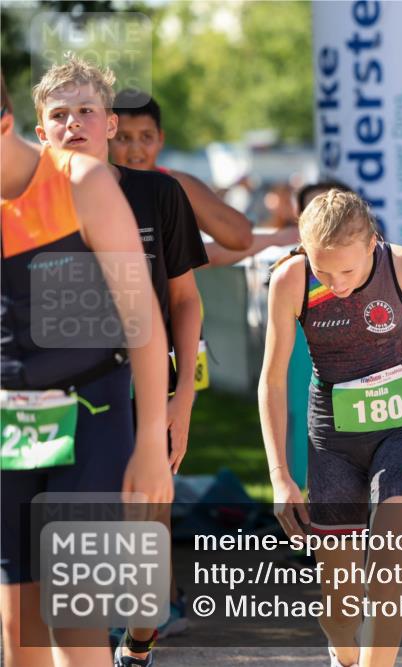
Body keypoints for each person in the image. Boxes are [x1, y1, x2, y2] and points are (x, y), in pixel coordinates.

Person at [32, 54, 207, 665]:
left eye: (86, 111)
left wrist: (181, 400)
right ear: (41, 131)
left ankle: (137, 641)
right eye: (60, 115)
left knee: (143, 542)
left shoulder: (157, 194)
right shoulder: (22, 205)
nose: (73, 123)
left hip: (144, 394)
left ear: (109, 123)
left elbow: (185, 301)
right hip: (53, 399)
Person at [259, 190, 402, 667]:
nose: (336, 284)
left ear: (373, 243)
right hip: (333, 445)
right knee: (340, 608)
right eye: (324, 271)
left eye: (349, 271)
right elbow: (272, 381)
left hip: (400, 434)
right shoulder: (291, 279)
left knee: (386, 579)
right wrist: (280, 476)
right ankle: (343, 654)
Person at [1, 72, 172, 667]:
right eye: (60, 113)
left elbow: (143, 318)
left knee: (74, 622)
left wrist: (150, 443)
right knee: (19, 631)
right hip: (11, 423)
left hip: (93, 410)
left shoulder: (82, 182)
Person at [109, 90, 278, 265]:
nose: (135, 148)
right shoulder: (97, 188)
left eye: (146, 137)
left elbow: (241, 237)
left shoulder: (174, 185)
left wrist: (275, 239)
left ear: (160, 138)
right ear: (108, 138)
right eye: (124, 138)